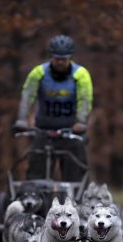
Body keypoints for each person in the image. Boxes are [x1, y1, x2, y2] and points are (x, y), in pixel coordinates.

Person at [13, 35, 93, 182]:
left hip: (70, 132)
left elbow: (85, 99)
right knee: (35, 177)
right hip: (43, 131)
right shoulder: (38, 73)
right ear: (51, 57)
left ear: (70, 58)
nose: (61, 62)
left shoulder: (81, 75)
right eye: (57, 59)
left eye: (64, 59)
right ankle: (36, 202)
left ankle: (78, 202)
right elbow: (27, 96)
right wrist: (22, 119)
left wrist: (81, 121)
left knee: (76, 178)